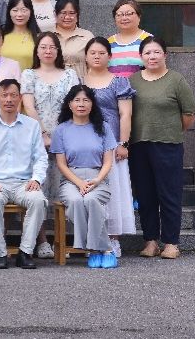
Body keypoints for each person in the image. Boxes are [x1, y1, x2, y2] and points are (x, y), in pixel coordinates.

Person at [129, 36, 195, 259]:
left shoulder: (176, 80)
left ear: (165, 55)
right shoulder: (133, 80)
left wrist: (170, 129)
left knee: (169, 194)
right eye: (147, 53)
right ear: (141, 56)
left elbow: (189, 114)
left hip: (168, 145)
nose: (152, 56)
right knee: (145, 195)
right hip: (139, 145)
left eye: (157, 52)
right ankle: (150, 241)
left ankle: (171, 243)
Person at [0, 78, 48, 269]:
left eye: (13, 95)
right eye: (4, 95)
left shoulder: (32, 125)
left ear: (20, 98)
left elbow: (41, 157)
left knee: (38, 200)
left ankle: (25, 252)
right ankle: (0, 253)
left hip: (24, 182)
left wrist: (36, 179)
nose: (9, 100)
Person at [21, 31, 80, 257]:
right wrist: (44, 134)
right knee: (39, 189)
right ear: (36, 51)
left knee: (63, 189)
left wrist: (61, 137)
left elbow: (75, 105)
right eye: (43, 47)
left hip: (67, 138)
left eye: (52, 47)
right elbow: (29, 106)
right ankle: (42, 241)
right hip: (37, 139)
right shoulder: (29, 75)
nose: (48, 51)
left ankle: (62, 240)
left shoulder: (69, 75)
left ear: (58, 51)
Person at [80, 36, 136, 257]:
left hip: (112, 146)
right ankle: (91, 240)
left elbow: (125, 114)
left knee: (113, 192)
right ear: (86, 56)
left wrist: (123, 143)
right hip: (85, 147)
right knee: (88, 190)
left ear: (109, 56)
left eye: (102, 53)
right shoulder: (78, 82)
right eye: (92, 53)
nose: (97, 56)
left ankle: (113, 240)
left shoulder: (119, 82)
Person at [51, 85, 117, 268]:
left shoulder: (103, 127)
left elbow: (108, 162)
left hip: (98, 178)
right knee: (76, 200)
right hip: (71, 180)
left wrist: (97, 180)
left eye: (86, 100)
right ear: (69, 104)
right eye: (77, 100)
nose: (81, 104)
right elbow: (61, 164)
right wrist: (79, 182)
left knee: (91, 200)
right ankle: (103, 248)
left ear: (92, 104)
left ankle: (93, 249)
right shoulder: (61, 130)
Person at [108, 0, 151, 78]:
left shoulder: (149, 40)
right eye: (119, 15)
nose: (124, 18)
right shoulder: (108, 42)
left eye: (129, 14)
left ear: (139, 16)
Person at [52, 0, 94, 77]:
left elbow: (94, 65)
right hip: (53, 82)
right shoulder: (47, 36)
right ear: (55, 14)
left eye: (71, 13)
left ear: (77, 15)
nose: (67, 17)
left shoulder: (87, 36)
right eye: (63, 13)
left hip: (81, 82)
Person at [1, 0, 40, 71]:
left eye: (24, 10)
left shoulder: (39, 37)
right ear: (9, 12)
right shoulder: (0, 37)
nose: (19, 14)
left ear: (31, 12)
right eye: (15, 10)